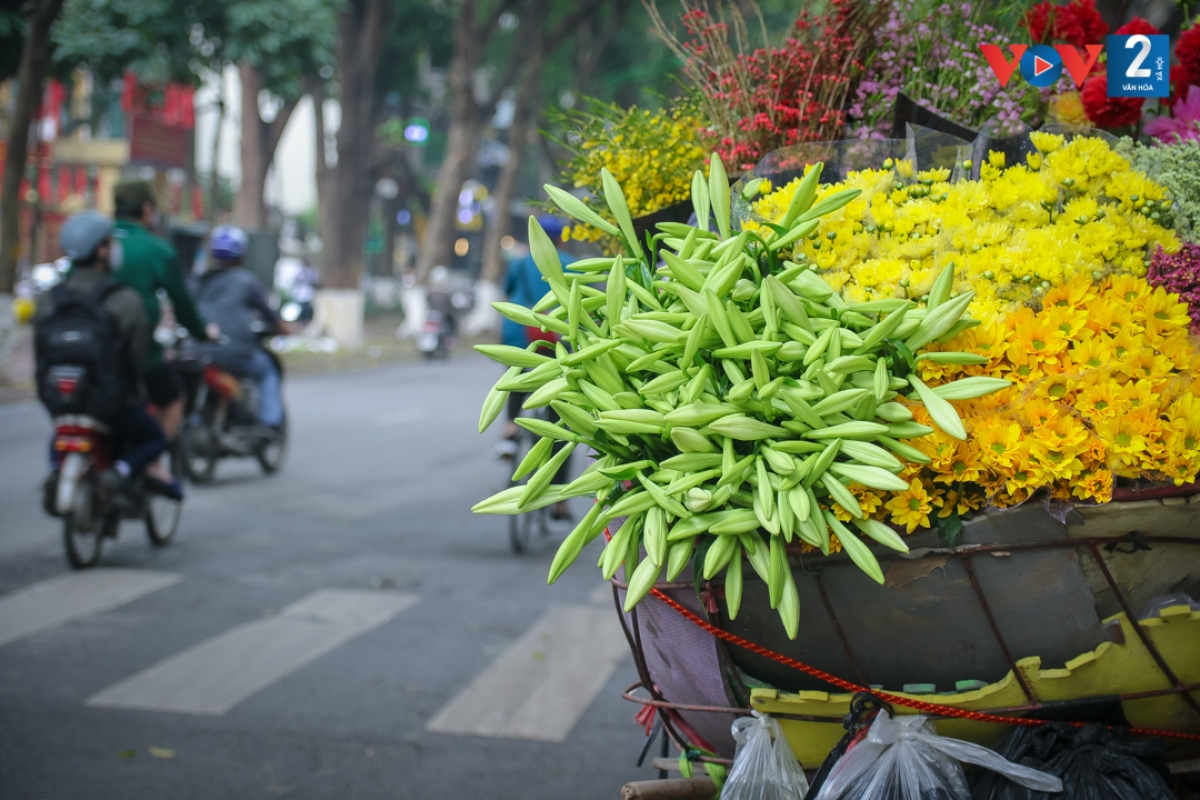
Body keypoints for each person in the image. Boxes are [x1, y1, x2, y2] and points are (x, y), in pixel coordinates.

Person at [38, 211, 180, 502]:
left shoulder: (48, 300)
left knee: (60, 434)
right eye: (110, 244)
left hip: (61, 401)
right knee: (154, 437)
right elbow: (136, 359)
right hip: (112, 405)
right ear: (102, 251)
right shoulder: (125, 301)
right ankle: (122, 470)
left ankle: (56, 469)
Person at [110, 180, 217, 452]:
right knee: (173, 398)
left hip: (84, 347)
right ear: (146, 209)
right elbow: (182, 305)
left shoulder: (97, 241)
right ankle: (151, 463)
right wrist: (203, 332)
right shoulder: (157, 249)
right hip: (137, 354)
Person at [497, 215, 576, 519]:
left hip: (520, 335)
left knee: (516, 374)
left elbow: (507, 295)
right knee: (561, 423)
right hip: (558, 340)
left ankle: (508, 429)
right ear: (560, 239)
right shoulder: (570, 262)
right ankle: (559, 501)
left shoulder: (519, 263)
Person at [191, 225, 285, 430]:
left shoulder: (198, 281)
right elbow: (270, 315)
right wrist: (284, 328)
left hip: (197, 351)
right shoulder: (246, 282)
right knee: (268, 370)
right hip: (236, 353)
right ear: (241, 254)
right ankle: (270, 422)